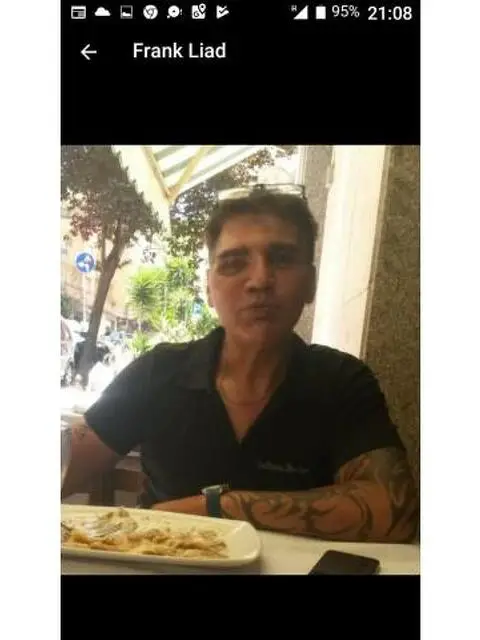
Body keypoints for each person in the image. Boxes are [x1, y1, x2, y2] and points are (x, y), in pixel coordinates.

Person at [62, 185, 419, 543]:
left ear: (310, 284)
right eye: (234, 263)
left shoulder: (341, 382)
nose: (260, 280)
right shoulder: (160, 371)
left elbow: (396, 511)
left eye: (282, 258)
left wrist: (217, 507)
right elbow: (66, 466)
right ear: (209, 288)